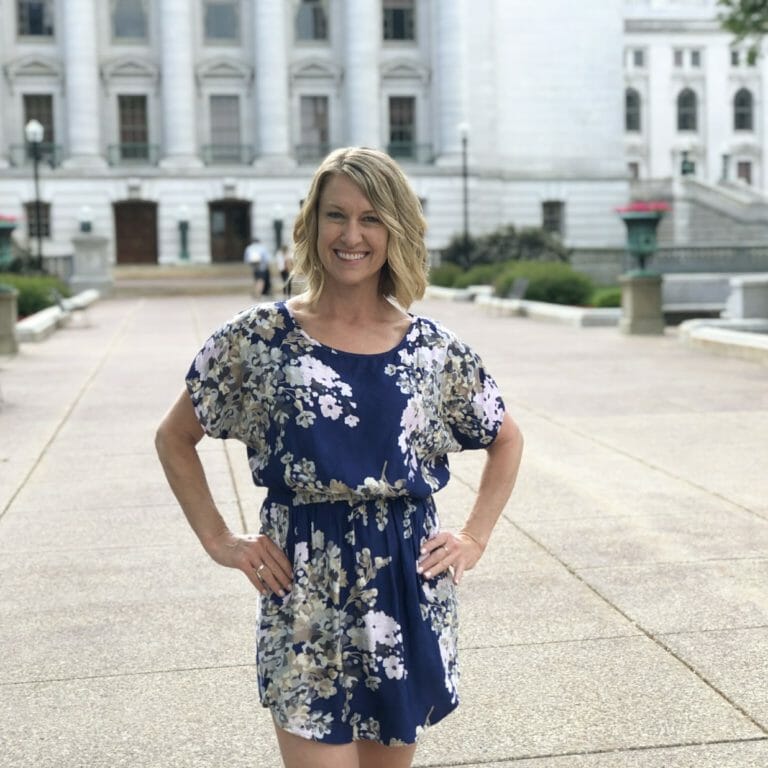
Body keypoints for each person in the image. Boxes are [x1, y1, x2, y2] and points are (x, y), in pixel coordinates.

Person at [155, 147, 524, 768]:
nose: (352, 235)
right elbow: (174, 437)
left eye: (372, 218)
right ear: (311, 224)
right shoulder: (260, 337)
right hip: (304, 586)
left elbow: (506, 437)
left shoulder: (432, 350)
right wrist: (221, 541)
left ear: (396, 229)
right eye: (336, 215)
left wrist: (475, 537)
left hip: (404, 585)